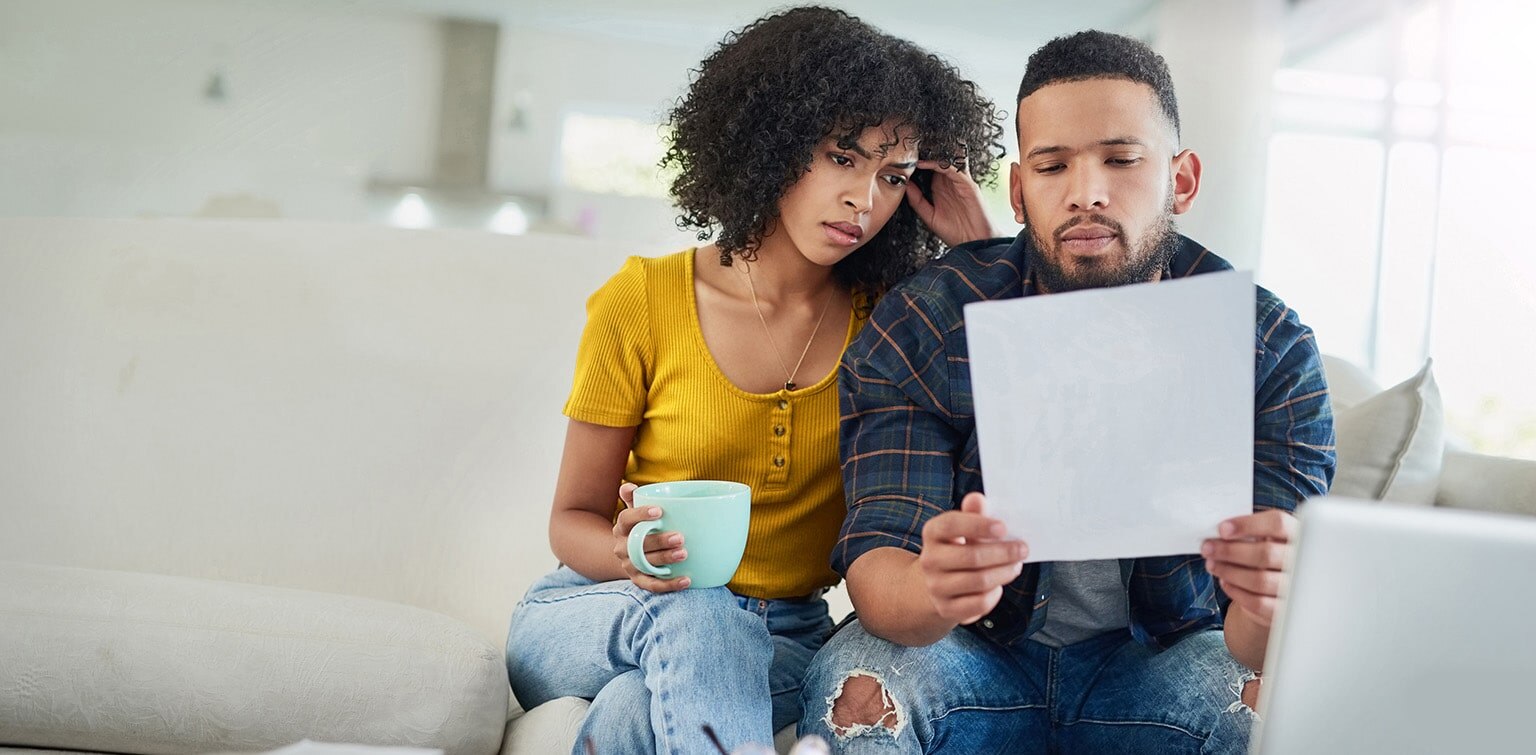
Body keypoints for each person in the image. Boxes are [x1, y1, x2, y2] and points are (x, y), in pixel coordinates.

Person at [797, 30, 1335, 754]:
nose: (1086, 192)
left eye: (1121, 160)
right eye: (1053, 167)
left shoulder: (1268, 347)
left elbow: (1254, 643)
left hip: (1164, 662)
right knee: (859, 688)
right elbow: (881, 577)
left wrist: (1271, 595)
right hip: (972, 653)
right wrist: (937, 586)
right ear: (1020, 192)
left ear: (1181, 180)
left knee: (1273, 712)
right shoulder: (929, 319)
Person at [503, 7, 1004, 754]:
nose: (864, 199)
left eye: (893, 176)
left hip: (783, 636)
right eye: (842, 157)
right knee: (698, 609)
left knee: (636, 712)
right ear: (773, 139)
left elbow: (1011, 417)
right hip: (601, 606)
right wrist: (632, 555)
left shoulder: (892, 322)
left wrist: (980, 253)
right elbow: (571, 518)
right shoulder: (641, 301)